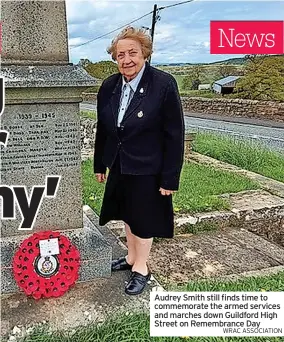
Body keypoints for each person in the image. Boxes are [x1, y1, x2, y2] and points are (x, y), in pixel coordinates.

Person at [93, 26, 185, 296]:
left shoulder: (163, 84)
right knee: (127, 213)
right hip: (120, 163)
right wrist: (100, 163)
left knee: (144, 218)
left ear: (145, 53)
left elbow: (174, 134)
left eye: (132, 53)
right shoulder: (109, 86)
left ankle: (142, 268)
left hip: (149, 167)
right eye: (120, 55)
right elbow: (104, 127)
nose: (126, 60)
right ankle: (132, 258)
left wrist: (170, 177)